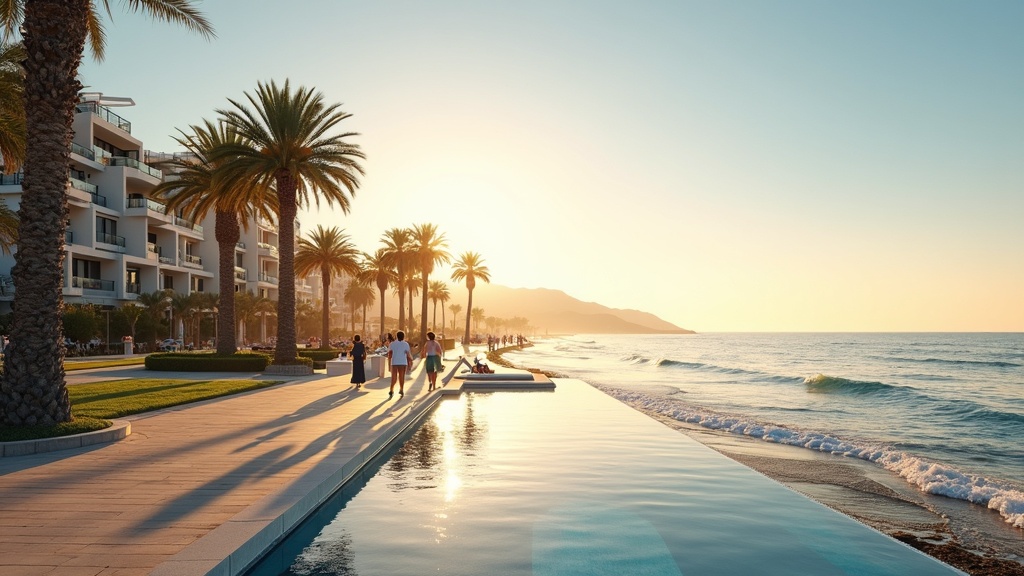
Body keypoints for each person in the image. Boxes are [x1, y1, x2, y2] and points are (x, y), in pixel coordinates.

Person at [387, 330, 413, 399]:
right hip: (403, 362)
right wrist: (411, 360)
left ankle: (391, 389)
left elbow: (389, 353)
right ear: (403, 336)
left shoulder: (392, 344)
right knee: (402, 376)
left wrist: (389, 359)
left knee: (394, 377)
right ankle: (401, 389)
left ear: (396, 336)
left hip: (394, 362)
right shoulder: (405, 344)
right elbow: (408, 354)